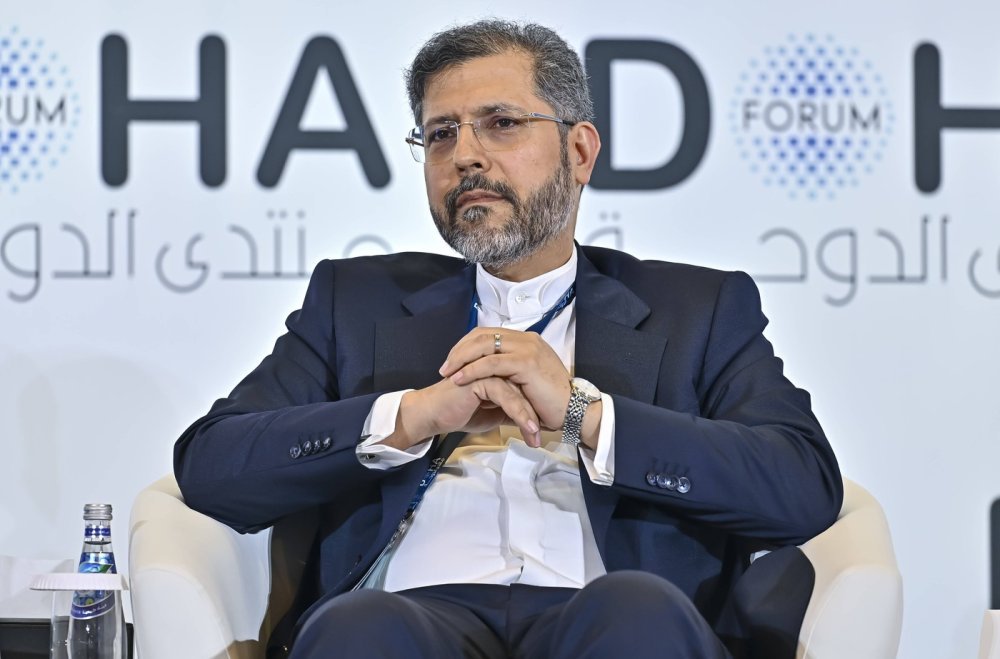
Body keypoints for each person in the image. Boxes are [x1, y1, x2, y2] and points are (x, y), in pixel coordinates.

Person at [174, 19, 842, 659]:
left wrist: (584, 414)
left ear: (579, 152)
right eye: (440, 133)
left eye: (501, 123)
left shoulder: (696, 309)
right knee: (356, 626)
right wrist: (408, 418)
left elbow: (802, 486)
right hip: (409, 615)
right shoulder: (354, 302)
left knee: (636, 610)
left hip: (608, 614)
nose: (464, 154)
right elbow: (210, 465)